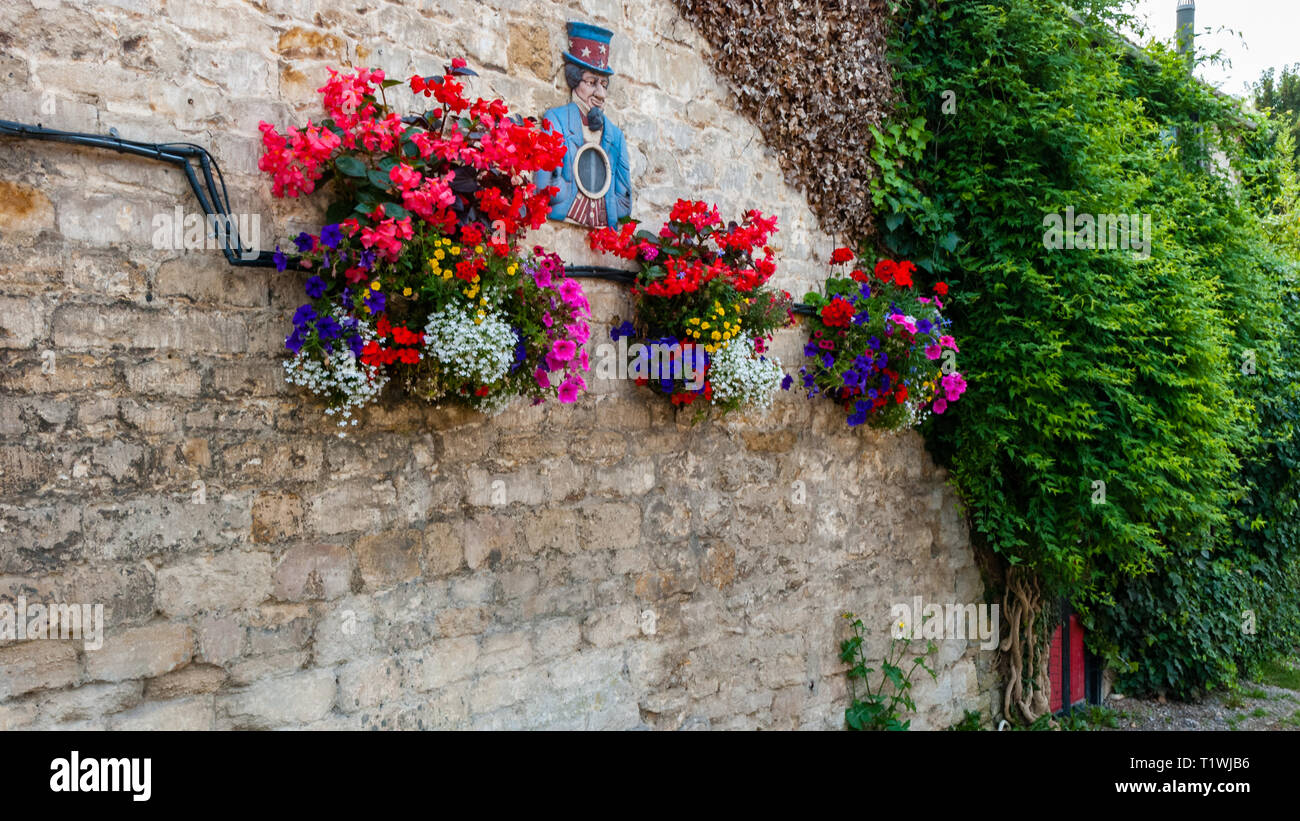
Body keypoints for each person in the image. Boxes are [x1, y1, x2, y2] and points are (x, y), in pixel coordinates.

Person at [534, 22, 632, 228]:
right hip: (564, 219)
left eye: (604, 85)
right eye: (591, 82)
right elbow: (543, 186)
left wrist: (607, 209)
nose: (600, 94)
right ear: (574, 81)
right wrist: (568, 194)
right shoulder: (557, 120)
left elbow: (624, 203)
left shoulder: (615, 137)